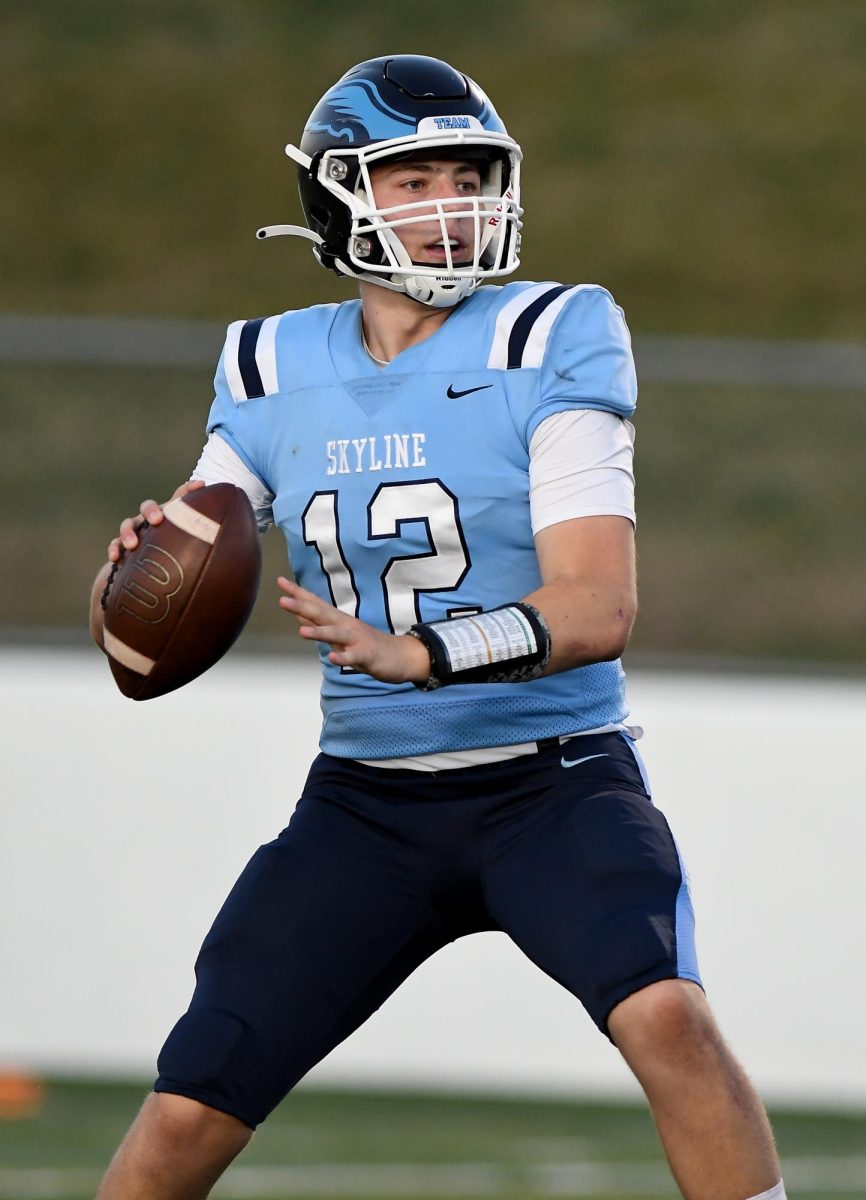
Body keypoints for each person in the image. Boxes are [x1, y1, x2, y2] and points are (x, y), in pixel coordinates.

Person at [89, 54, 786, 1200]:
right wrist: (145, 564)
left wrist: (423, 653)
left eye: (469, 172)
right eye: (415, 178)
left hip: (551, 784)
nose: (454, 200)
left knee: (667, 1015)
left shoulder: (547, 334)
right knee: (190, 1099)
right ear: (340, 196)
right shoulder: (268, 363)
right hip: (367, 807)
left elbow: (597, 604)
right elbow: (197, 540)